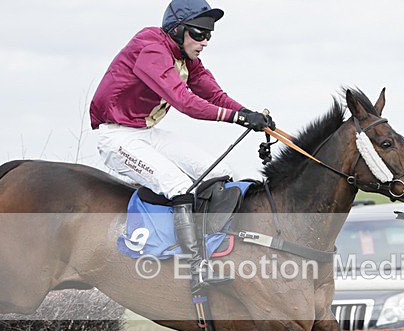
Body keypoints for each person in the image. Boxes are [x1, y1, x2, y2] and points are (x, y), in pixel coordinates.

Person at [90, 0, 274, 293]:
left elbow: (214, 95)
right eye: (199, 33)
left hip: (145, 132)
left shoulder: (185, 57)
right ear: (177, 30)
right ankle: (195, 268)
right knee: (178, 186)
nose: (205, 42)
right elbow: (186, 103)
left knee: (220, 172)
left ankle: (216, 246)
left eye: (209, 35)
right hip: (117, 137)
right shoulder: (151, 48)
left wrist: (250, 115)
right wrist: (238, 118)